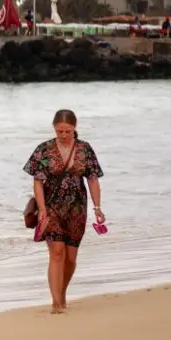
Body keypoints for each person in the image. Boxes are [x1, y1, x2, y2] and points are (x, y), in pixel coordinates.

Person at [24, 109, 105, 314]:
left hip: (77, 209)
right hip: (51, 207)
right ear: (54, 128)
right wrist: (42, 209)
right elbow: (37, 182)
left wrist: (97, 208)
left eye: (68, 131)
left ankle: (62, 292)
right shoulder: (44, 150)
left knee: (70, 258)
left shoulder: (84, 149)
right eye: (60, 131)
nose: (64, 135)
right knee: (57, 253)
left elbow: (93, 179)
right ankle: (56, 303)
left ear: (74, 128)